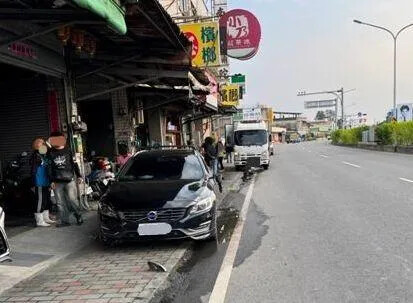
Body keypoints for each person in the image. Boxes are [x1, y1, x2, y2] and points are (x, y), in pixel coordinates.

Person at [48, 131, 83, 227]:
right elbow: (49, 167)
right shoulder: (50, 152)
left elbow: (74, 163)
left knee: (72, 200)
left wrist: (79, 176)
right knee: (60, 203)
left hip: (69, 180)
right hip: (56, 181)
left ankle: (78, 215)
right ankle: (65, 221)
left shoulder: (69, 150)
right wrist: (51, 181)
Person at [30, 138, 55, 227]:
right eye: (42, 144)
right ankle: (39, 221)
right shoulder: (35, 156)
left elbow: (50, 151)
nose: (44, 146)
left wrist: (48, 144)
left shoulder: (44, 155)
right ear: (37, 146)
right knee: (39, 201)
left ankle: (46, 217)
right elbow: (33, 170)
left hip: (46, 181)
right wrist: (32, 183)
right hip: (39, 182)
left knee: (46, 200)